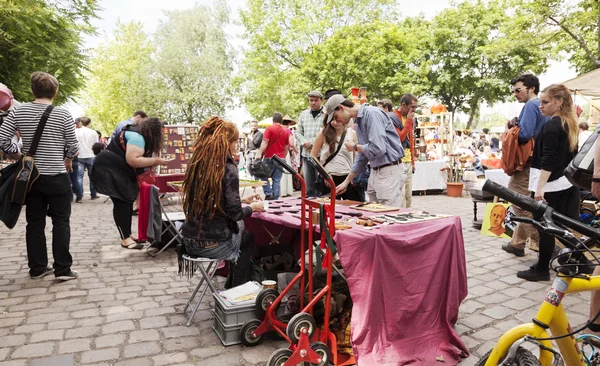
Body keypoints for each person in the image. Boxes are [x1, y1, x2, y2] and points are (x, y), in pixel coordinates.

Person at [0, 72, 79, 281]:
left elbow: (2, 138)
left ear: (33, 90)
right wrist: (68, 159)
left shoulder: (18, 111)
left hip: (31, 178)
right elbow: (73, 145)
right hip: (57, 176)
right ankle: (63, 269)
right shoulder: (63, 114)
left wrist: (18, 155)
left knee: (34, 223)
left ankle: (37, 268)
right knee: (61, 221)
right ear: (55, 92)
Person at [180, 117, 264, 288]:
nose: (236, 146)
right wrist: (252, 208)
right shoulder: (228, 167)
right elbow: (235, 213)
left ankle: (233, 283)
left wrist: (241, 200)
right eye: (234, 142)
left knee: (238, 229)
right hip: (210, 245)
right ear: (226, 143)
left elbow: (211, 199)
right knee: (246, 236)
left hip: (188, 241)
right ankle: (236, 287)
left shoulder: (198, 164)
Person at [516, 84, 580, 281]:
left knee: (545, 228)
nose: (540, 106)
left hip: (551, 184)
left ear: (559, 102)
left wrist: (540, 188)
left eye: (545, 102)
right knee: (560, 227)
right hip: (565, 182)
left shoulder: (552, 126)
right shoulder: (568, 123)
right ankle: (580, 260)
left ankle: (542, 268)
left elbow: (548, 160)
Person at [92, 117, 169, 249]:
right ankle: (125, 239)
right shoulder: (137, 137)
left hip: (116, 168)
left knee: (127, 201)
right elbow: (133, 160)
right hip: (110, 169)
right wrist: (156, 161)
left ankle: (127, 235)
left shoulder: (136, 133)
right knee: (122, 202)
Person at [326, 95, 406, 207]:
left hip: (389, 170)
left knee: (388, 214)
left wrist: (355, 147)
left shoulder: (372, 113)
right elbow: (362, 156)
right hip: (376, 171)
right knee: (374, 213)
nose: (336, 121)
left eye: (335, 116)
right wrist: (346, 182)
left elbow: (378, 148)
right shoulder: (359, 121)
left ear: (341, 107)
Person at [502, 74, 550, 257]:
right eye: (513, 90)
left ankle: (549, 245)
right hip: (536, 161)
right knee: (526, 201)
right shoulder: (540, 106)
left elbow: (524, 135)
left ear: (531, 89)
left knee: (519, 201)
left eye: (518, 90)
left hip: (526, 161)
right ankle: (517, 243)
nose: (515, 94)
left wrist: (511, 128)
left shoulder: (531, 105)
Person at [310, 110, 362, 201]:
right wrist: (325, 174)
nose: (334, 123)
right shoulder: (323, 133)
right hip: (329, 178)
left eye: (337, 120)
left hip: (347, 177)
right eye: (331, 120)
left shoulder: (352, 133)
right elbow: (313, 156)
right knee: (328, 210)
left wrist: (353, 177)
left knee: (352, 209)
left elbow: (356, 157)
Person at [255, 112, 294, 200]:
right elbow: (286, 147)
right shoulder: (286, 131)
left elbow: (265, 142)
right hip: (281, 158)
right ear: (281, 121)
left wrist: (259, 153)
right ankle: (275, 199)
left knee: (263, 175)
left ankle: (268, 193)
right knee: (277, 179)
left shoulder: (269, 129)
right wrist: (283, 157)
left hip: (269, 157)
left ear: (273, 120)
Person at [390, 94, 418, 208]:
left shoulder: (409, 117)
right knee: (400, 196)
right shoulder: (393, 117)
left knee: (408, 195)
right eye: (412, 107)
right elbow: (399, 138)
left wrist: (412, 161)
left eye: (416, 107)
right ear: (403, 105)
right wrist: (408, 121)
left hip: (408, 161)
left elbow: (410, 140)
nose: (414, 110)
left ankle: (408, 217)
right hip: (398, 161)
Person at [297, 90, 325, 197]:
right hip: (306, 154)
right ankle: (310, 208)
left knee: (320, 184)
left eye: (315, 100)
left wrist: (313, 143)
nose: (313, 102)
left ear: (320, 101)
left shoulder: (326, 114)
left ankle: (320, 209)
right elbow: (298, 132)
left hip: (320, 154)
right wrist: (304, 142)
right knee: (309, 185)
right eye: (311, 100)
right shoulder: (303, 114)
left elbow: (326, 132)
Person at [75, 116, 99, 201]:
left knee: (79, 177)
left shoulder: (76, 132)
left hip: (79, 156)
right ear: (89, 123)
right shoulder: (93, 132)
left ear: (81, 122)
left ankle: (79, 196)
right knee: (92, 176)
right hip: (91, 155)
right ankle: (93, 194)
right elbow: (96, 145)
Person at [280, 115, 299, 197]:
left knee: (281, 172)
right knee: (287, 171)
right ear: (289, 123)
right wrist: (295, 149)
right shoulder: (288, 131)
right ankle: (287, 190)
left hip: (278, 152)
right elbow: (291, 143)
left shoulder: (279, 130)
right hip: (286, 151)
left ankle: (282, 191)